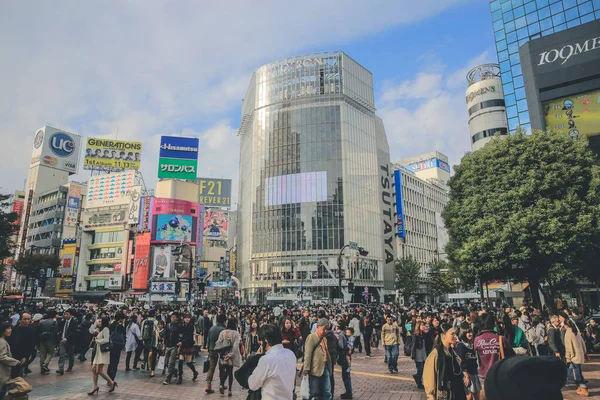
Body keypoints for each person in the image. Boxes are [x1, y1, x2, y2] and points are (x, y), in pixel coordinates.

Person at [248, 324, 297, 400]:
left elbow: (253, 385)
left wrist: (256, 358)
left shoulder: (266, 360)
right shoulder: (291, 354)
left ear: (266, 341)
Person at [474, 313, 515, 400]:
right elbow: (512, 356)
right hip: (498, 375)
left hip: (482, 377)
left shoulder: (477, 340)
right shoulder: (501, 338)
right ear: (493, 324)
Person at [423, 323, 467, 400]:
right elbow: (430, 379)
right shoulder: (435, 354)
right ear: (443, 336)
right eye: (452, 334)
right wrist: (431, 396)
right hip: (444, 393)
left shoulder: (452, 352)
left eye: (455, 334)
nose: (455, 336)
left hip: (456, 393)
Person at [303, 318, 333, 400]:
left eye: (326, 329)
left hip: (325, 367)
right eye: (324, 329)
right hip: (315, 368)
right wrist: (306, 368)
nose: (325, 331)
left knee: (327, 391)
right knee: (312, 392)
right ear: (318, 326)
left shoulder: (324, 339)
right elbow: (307, 354)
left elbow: (327, 352)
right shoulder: (311, 337)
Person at [89, 317, 117, 395]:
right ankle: (95, 386)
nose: (99, 322)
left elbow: (106, 340)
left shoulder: (106, 329)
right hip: (98, 352)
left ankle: (111, 382)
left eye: (101, 321)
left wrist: (97, 341)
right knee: (94, 369)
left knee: (99, 370)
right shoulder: (101, 329)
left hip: (103, 352)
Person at [216, 318, 242, 396]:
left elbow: (218, 344)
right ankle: (230, 390)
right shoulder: (236, 333)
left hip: (222, 355)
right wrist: (230, 355)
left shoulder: (222, 332)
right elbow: (235, 346)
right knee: (229, 372)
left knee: (223, 371)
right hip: (230, 356)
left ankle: (221, 384)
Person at [564, 319, 589, 397]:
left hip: (574, 356)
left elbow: (568, 347)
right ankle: (580, 387)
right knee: (578, 371)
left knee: (576, 374)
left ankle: (584, 388)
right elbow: (583, 344)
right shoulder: (576, 332)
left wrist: (568, 356)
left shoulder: (568, 333)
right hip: (580, 355)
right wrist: (585, 353)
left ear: (566, 325)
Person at [455, 328, 481, 400]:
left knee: (477, 395)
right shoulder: (461, 345)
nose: (471, 334)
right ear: (463, 333)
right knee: (469, 396)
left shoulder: (472, 344)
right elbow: (460, 362)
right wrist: (466, 376)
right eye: (468, 333)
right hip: (466, 374)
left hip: (474, 372)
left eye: (471, 332)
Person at [0, 322, 22, 400]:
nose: (10, 330)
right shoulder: (2, 342)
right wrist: (15, 361)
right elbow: (2, 356)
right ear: (3, 330)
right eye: (8, 328)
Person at [9, 313, 35, 378]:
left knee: (19, 375)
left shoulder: (31, 330)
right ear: (20, 320)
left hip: (22, 356)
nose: (27, 321)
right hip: (12, 354)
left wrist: (25, 357)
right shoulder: (14, 329)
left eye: (28, 319)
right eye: (25, 319)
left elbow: (30, 345)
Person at [206, 313, 226, 394]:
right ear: (224, 321)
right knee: (222, 368)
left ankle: (208, 384)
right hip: (220, 351)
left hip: (211, 350)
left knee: (211, 368)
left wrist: (208, 349)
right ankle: (222, 384)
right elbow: (224, 342)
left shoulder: (211, 328)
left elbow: (208, 340)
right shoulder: (223, 330)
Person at [177, 313, 199, 384]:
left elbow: (189, 337)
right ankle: (180, 377)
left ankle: (195, 372)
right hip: (183, 346)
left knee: (188, 362)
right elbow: (180, 334)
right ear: (183, 318)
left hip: (188, 345)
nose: (187, 319)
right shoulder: (181, 326)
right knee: (180, 361)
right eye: (186, 318)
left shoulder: (191, 326)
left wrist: (182, 341)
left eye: (188, 318)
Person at [57, 309, 79, 375]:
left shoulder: (74, 322)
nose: (65, 316)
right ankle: (61, 369)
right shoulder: (63, 321)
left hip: (70, 341)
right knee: (62, 354)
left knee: (70, 354)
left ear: (71, 315)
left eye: (67, 314)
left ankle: (70, 367)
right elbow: (60, 329)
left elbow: (73, 332)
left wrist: (67, 338)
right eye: (65, 314)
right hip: (62, 339)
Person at [162, 313, 181, 384]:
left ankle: (168, 379)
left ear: (176, 318)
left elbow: (180, 336)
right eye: (171, 317)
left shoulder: (179, 326)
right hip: (168, 346)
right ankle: (175, 371)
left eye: (174, 317)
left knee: (171, 363)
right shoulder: (167, 326)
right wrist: (164, 345)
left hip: (174, 346)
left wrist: (179, 345)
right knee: (166, 363)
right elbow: (165, 336)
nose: (172, 318)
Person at [38, 310, 58, 374]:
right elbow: (56, 331)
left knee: (42, 353)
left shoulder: (41, 321)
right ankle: (45, 364)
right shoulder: (54, 322)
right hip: (51, 339)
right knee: (51, 352)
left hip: (42, 339)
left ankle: (42, 368)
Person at [336, 320, 353, 399]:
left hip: (344, 357)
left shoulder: (341, 335)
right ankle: (348, 392)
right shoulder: (344, 334)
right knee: (347, 375)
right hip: (347, 357)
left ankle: (348, 393)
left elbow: (342, 347)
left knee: (346, 376)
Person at [107, 312, 126, 382]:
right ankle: (112, 379)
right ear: (120, 319)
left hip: (112, 345)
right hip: (117, 345)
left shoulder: (112, 325)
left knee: (111, 362)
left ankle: (108, 378)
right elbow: (123, 334)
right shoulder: (120, 326)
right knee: (115, 363)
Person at [141, 310, 159, 377]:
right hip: (153, 341)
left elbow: (141, 331)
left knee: (145, 352)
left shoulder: (144, 321)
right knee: (152, 354)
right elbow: (157, 331)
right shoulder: (155, 321)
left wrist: (142, 339)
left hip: (145, 340)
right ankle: (150, 368)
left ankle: (144, 362)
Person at [410, 320, 427, 390]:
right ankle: (419, 381)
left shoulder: (423, 334)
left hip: (423, 353)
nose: (423, 327)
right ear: (419, 326)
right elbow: (413, 345)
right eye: (422, 325)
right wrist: (413, 354)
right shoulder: (415, 335)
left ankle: (418, 378)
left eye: (424, 325)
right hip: (418, 353)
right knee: (420, 368)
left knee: (422, 368)